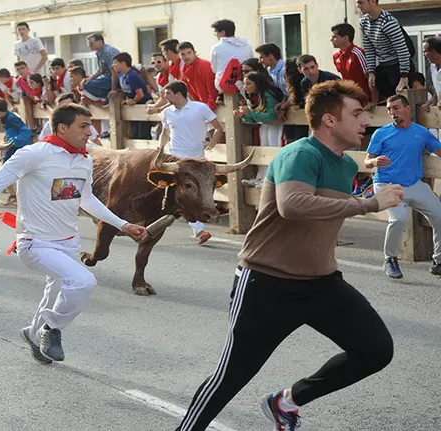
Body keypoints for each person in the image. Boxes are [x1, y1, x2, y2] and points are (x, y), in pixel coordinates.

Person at [175, 79, 403, 431]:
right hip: (268, 284)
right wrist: (369, 203)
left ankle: (286, 402)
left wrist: (367, 188)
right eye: (356, 113)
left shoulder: (343, 165)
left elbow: (324, 208)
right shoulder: (300, 154)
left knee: (375, 349)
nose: (364, 122)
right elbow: (293, 205)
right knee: (231, 377)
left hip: (321, 283)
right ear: (329, 120)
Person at [0, 104, 147, 363]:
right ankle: (50, 330)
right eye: (84, 126)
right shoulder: (33, 154)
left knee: (55, 292)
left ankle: (33, 334)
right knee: (83, 281)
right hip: (35, 243)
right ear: (62, 128)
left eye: (91, 125)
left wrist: (122, 224)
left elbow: (85, 198)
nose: (91, 131)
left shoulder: (83, 159)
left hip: (68, 242)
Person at [363, 94, 441, 278]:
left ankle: (438, 261)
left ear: (407, 109)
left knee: (440, 215)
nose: (392, 112)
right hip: (386, 185)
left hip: (414, 184)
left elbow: (439, 150)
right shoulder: (381, 133)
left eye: (396, 108)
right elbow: (366, 161)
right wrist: (373, 162)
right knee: (398, 218)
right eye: (389, 109)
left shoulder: (421, 132)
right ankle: (390, 259)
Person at [159, 80, 223, 243]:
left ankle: (198, 229)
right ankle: (193, 228)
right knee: (167, 191)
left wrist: (213, 142)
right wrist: (160, 148)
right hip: (175, 158)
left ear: (178, 94)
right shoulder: (167, 112)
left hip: (197, 160)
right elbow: (165, 133)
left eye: (167, 93)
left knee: (194, 194)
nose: (164, 96)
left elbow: (218, 127)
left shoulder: (200, 108)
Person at [357, 0, 414, 101]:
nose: (358, 6)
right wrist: (371, 71)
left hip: (398, 66)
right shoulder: (363, 22)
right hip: (383, 65)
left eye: (361, 2)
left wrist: (404, 76)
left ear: (372, 2)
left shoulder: (388, 22)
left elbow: (402, 50)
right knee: (377, 89)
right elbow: (369, 48)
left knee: (401, 99)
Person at [236, 72, 284, 188]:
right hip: (264, 124)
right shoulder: (253, 96)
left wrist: (250, 113)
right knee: (263, 149)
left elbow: (272, 116)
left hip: (275, 125)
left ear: (257, 84)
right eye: (245, 83)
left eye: (249, 84)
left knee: (272, 149)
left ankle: (272, 179)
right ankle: (261, 177)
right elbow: (253, 119)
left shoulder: (267, 93)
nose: (245, 87)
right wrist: (243, 115)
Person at [331, 23, 374, 105]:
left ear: (345, 38)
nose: (331, 40)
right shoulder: (336, 56)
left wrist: (372, 100)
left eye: (335, 37)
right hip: (351, 98)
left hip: (365, 99)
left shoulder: (358, 53)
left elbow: (369, 78)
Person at [113, 52, 152, 139]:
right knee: (134, 133)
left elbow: (140, 94)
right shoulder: (121, 75)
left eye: (115, 63)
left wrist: (133, 101)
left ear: (123, 63)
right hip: (134, 107)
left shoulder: (132, 75)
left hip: (143, 105)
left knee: (142, 134)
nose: (113, 65)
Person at [210, 19, 254, 93]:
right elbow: (252, 61)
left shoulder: (216, 48)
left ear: (223, 33)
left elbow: (214, 69)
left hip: (224, 87)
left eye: (216, 32)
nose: (216, 35)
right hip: (246, 85)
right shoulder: (246, 44)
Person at [82, 34, 120, 102]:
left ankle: (106, 98)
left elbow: (115, 72)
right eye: (88, 44)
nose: (89, 46)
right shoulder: (100, 52)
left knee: (89, 85)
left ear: (100, 42)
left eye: (91, 43)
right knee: (86, 84)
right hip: (108, 78)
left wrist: (113, 90)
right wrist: (90, 79)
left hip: (117, 78)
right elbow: (101, 70)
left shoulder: (108, 52)